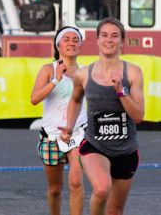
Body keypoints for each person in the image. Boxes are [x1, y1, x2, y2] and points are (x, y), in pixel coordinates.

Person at [60, 18, 144, 215]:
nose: (109, 39)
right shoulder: (83, 75)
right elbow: (75, 100)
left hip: (126, 149)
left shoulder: (132, 72)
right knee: (102, 188)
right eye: (104, 35)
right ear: (97, 40)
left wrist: (120, 91)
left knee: (115, 211)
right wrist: (69, 126)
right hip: (95, 146)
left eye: (115, 36)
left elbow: (139, 116)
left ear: (122, 42)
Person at [30, 26, 87, 215]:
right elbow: (34, 99)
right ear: (58, 45)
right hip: (51, 136)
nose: (71, 43)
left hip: (78, 134)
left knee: (76, 182)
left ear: (80, 45)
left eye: (75, 40)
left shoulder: (86, 72)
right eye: (67, 39)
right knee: (55, 188)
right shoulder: (49, 69)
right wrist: (55, 79)